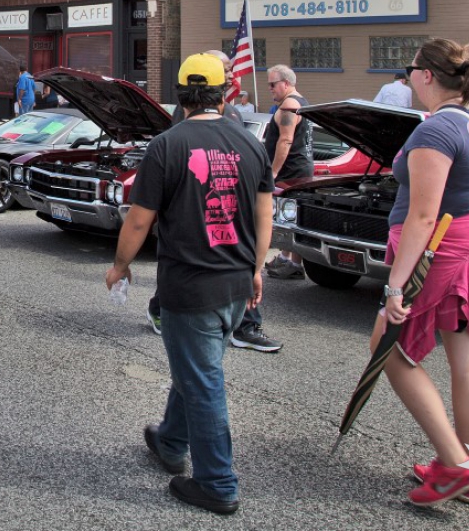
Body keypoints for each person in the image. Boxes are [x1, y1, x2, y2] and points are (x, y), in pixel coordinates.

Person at [105, 53, 272, 515]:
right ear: (225, 93)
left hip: (190, 287)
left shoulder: (167, 144)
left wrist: (120, 265)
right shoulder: (251, 142)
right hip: (237, 283)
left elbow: (139, 221)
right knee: (197, 368)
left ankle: (218, 483)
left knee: (203, 382)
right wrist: (256, 268)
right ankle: (171, 442)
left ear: (180, 95)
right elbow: (264, 214)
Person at [379, 38, 469, 506]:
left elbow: (423, 215)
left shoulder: (435, 131)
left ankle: (456, 467)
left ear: (425, 75)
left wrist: (395, 285)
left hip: (448, 249)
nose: (409, 79)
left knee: (390, 348)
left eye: (411, 70)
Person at [262, 65, 313, 283]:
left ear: (286, 83)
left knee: (287, 218)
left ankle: (293, 265)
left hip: (291, 171)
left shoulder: (290, 105)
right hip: (299, 169)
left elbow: (286, 140)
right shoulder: (301, 102)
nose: (270, 89)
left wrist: (273, 172)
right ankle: (286, 258)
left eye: (273, 84)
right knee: (289, 217)